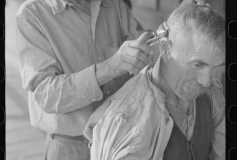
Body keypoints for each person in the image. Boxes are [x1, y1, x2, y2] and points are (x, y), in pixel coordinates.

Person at [16, 0, 209, 159]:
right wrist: (111, 66)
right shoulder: (31, 14)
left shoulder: (113, 5)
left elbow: (148, 51)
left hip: (124, 140)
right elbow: (47, 96)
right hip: (71, 148)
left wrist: (179, 24)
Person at [84, 3, 225, 160]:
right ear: (165, 49)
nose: (206, 83)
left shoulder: (212, 96)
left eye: (216, 67)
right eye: (197, 64)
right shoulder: (128, 128)